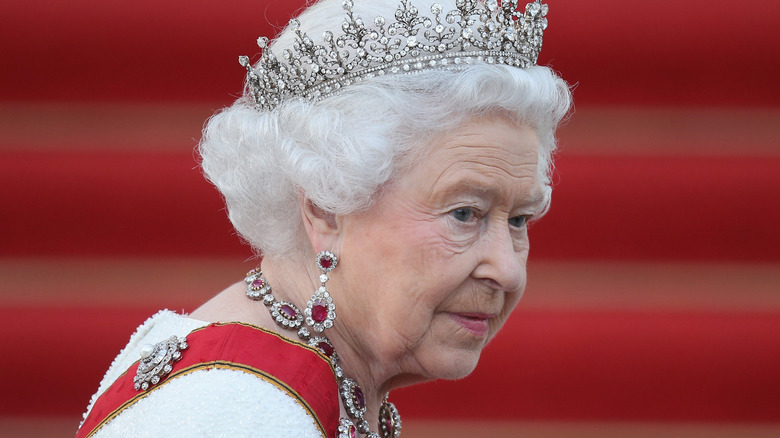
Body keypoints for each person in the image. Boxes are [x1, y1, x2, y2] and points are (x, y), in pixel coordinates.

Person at [76, 0, 571, 436]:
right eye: (464, 214)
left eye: (520, 220)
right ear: (326, 205)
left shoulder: (307, 383)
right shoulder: (238, 412)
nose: (507, 270)